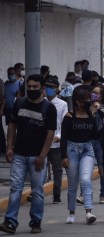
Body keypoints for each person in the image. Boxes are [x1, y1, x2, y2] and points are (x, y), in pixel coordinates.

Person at [0, 74, 57, 234]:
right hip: (19, 154)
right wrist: (9, 147)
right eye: (29, 87)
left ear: (42, 88)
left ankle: (36, 222)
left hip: (37, 157)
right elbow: (12, 126)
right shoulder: (19, 103)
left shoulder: (48, 108)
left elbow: (50, 134)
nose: (31, 89)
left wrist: (42, 156)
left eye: (35, 87)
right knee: (15, 188)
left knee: (37, 191)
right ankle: (10, 222)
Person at [60, 88, 98, 224]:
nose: (89, 102)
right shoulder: (69, 116)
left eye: (89, 99)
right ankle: (71, 212)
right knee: (72, 183)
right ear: (78, 102)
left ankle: (89, 211)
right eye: (86, 100)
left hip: (87, 150)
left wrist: (97, 116)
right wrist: (63, 156)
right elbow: (63, 137)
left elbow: (96, 135)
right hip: (72, 150)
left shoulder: (91, 116)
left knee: (86, 179)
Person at [45, 76, 68, 203]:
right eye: (47, 87)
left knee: (57, 169)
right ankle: (36, 191)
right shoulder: (41, 103)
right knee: (40, 168)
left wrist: (59, 135)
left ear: (56, 89)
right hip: (42, 142)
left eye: (52, 87)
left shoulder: (62, 104)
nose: (49, 90)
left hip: (55, 142)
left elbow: (63, 123)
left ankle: (56, 194)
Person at [91, 84, 104, 204]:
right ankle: (84, 194)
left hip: (99, 141)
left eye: (97, 93)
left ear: (102, 95)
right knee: (86, 169)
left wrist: (100, 110)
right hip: (87, 140)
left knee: (102, 167)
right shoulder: (87, 107)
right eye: (93, 92)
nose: (94, 95)